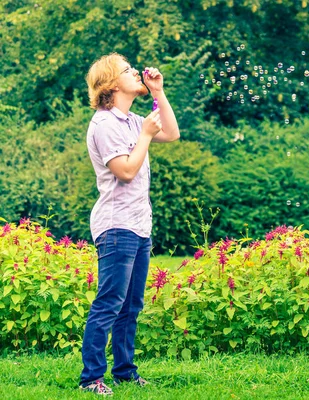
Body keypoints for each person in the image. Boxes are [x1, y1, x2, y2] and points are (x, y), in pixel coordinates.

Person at [79, 53, 180, 395]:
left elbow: (173, 133)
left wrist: (158, 92)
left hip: (139, 225)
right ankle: (91, 378)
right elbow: (125, 171)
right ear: (110, 84)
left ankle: (124, 372)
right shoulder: (104, 124)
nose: (135, 71)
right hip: (115, 225)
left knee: (131, 306)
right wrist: (147, 136)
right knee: (109, 303)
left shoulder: (132, 120)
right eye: (127, 70)